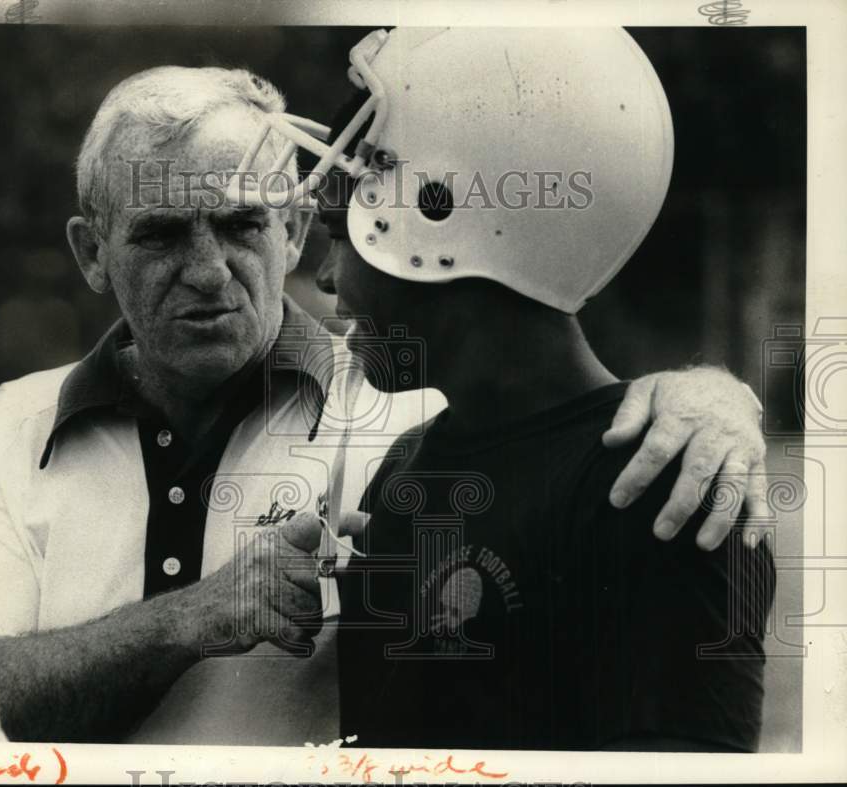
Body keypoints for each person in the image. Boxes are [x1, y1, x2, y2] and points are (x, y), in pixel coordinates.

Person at [0, 56, 767, 744]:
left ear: (293, 230)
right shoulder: (13, 426)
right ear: (90, 252)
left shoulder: (407, 411)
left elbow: (550, 406)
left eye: (244, 225)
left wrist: (712, 398)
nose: (210, 272)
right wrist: (191, 618)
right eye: (161, 233)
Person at [249, 27, 775, 750]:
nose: (330, 277)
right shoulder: (406, 468)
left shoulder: (660, 486)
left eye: (343, 231)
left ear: (442, 211)